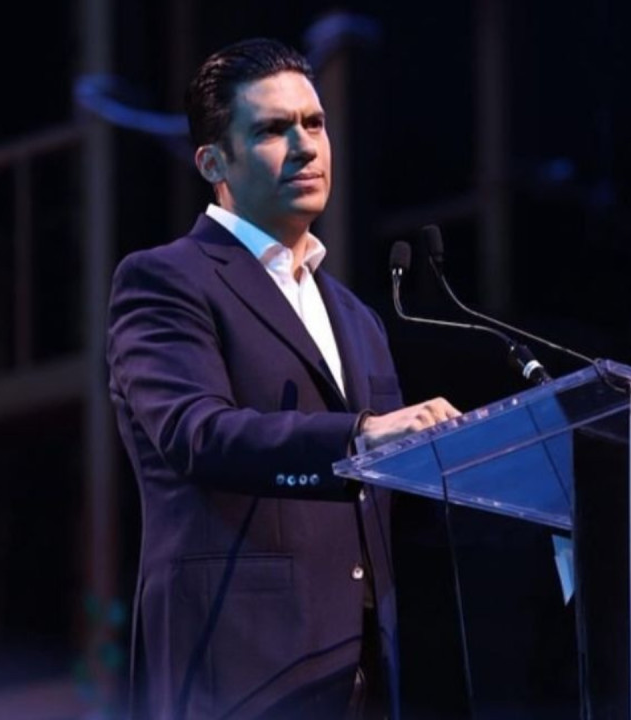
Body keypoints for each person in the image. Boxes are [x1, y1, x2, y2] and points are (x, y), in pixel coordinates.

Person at [106, 37, 459, 720]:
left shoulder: (358, 318)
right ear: (213, 162)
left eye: (314, 123)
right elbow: (196, 435)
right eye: (273, 130)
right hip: (237, 667)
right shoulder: (165, 279)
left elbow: (386, 503)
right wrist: (361, 436)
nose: (304, 147)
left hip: (358, 675)